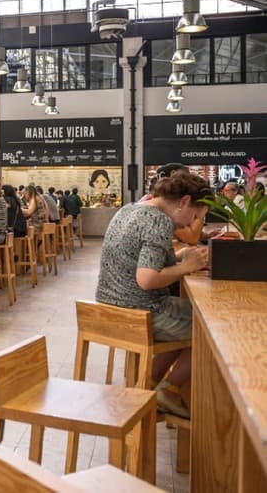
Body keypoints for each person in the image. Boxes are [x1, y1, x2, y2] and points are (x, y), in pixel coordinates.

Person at [96, 171, 213, 419]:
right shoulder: (158, 221)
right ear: (183, 201)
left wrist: (179, 258)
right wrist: (187, 267)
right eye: (195, 215)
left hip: (109, 308)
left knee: (188, 320)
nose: (190, 224)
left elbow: (137, 260)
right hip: (140, 311)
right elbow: (147, 279)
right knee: (212, 328)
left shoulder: (130, 209)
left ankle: (150, 383)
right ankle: (168, 391)